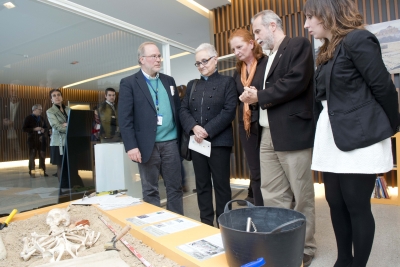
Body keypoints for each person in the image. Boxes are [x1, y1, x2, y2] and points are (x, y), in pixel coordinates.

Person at [303, 0, 399, 266]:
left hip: (359, 136)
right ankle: (343, 259)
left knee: (357, 205)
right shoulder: (326, 52)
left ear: (328, 14)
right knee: (335, 201)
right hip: (332, 135)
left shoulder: (358, 39)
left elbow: (383, 88)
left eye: (311, 17)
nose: (306, 24)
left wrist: (389, 128)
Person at [240, 10, 317, 266]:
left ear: (272, 25)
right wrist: (254, 93)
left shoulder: (298, 45)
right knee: (272, 193)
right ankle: (283, 241)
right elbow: (270, 90)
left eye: (258, 32)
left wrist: (258, 96)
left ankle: (305, 246)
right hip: (267, 134)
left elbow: (295, 82)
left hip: (292, 131)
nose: (257, 39)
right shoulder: (269, 58)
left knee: (301, 192)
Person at [118, 42, 183, 215]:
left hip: (170, 143)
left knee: (175, 188)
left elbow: (177, 109)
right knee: (150, 190)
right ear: (142, 59)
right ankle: (156, 226)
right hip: (147, 145)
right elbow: (125, 119)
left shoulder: (169, 81)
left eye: (159, 55)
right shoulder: (129, 83)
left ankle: (177, 224)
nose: (158, 59)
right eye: (153, 56)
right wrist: (131, 146)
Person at [180, 43, 237, 226]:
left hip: (219, 142)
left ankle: (224, 224)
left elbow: (229, 111)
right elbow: (183, 110)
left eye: (205, 61)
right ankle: (205, 223)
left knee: (221, 186)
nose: (201, 65)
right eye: (197, 63)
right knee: (202, 185)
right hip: (197, 142)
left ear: (215, 59)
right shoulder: (192, 85)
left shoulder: (227, 82)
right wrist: (194, 127)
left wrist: (207, 130)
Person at [229, 28, 267, 206]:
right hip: (247, 126)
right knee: (256, 171)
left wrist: (257, 95)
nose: (236, 52)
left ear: (251, 44)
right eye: (233, 49)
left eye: (239, 47)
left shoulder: (266, 63)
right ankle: (260, 210)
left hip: (267, 123)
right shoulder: (238, 71)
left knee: (272, 171)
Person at [46, 89, 70, 187]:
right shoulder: (50, 111)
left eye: (59, 95)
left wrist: (66, 125)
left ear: (62, 97)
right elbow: (56, 126)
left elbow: (74, 123)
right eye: (54, 95)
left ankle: (71, 187)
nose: (57, 97)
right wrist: (68, 126)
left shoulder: (68, 109)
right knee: (60, 166)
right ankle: (63, 189)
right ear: (51, 99)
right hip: (58, 143)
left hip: (69, 141)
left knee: (69, 166)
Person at [22, 104, 49, 178]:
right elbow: (24, 129)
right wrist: (34, 129)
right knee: (32, 156)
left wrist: (44, 130)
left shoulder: (42, 118)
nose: (41, 111)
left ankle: (42, 171)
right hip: (32, 140)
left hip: (41, 140)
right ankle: (32, 172)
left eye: (41, 109)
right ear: (34, 110)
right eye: (39, 109)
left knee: (42, 156)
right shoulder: (28, 118)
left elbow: (46, 128)